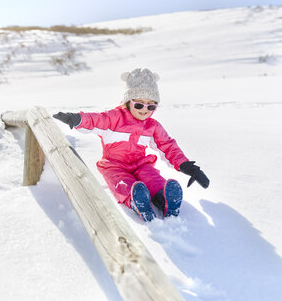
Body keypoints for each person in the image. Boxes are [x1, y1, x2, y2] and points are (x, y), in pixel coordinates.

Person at [53, 68, 209, 221]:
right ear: (128, 102)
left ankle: (165, 199)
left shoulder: (152, 126)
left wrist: (187, 166)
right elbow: (96, 120)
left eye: (151, 106)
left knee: (153, 179)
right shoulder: (114, 118)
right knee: (122, 184)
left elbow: (168, 146)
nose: (145, 110)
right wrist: (77, 119)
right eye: (139, 105)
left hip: (140, 164)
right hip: (114, 165)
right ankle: (136, 201)